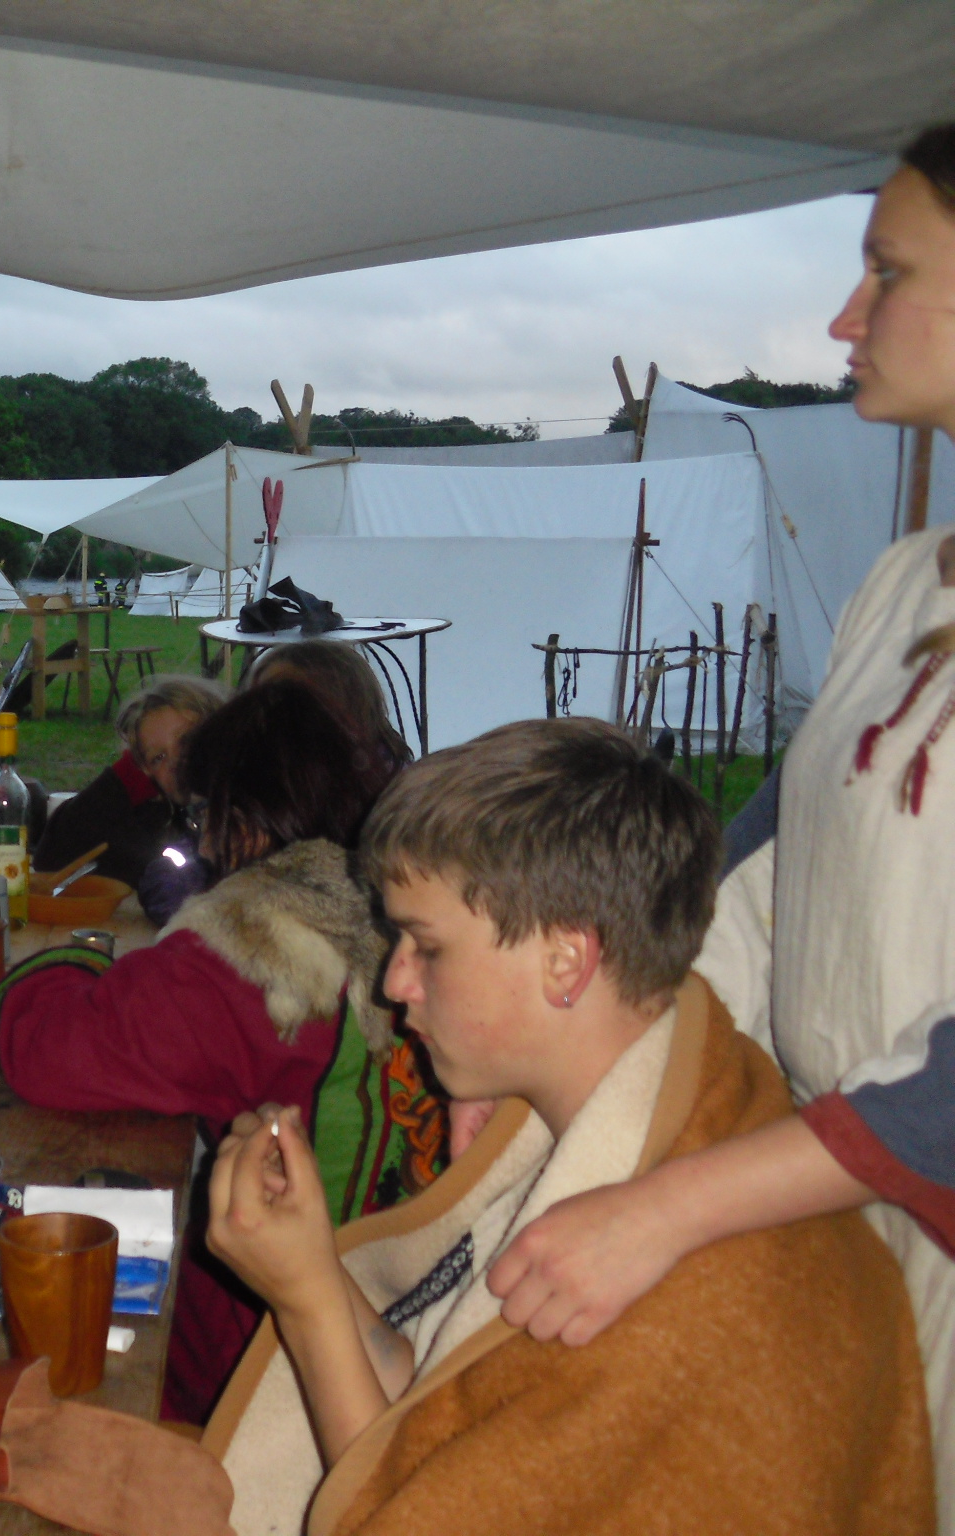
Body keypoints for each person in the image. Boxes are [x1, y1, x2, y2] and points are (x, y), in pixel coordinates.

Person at [475, 124, 955, 1519]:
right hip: (838, 1212)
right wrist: (565, 1054)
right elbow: (761, 881)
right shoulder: (902, 587)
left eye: (888, 271)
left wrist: (668, 1207)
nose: (844, 318)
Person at [204, 719, 932, 1535]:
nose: (394, 982)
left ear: (565, 963)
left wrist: (305, 1302)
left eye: (426, 946)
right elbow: (444, 1406)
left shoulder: (678, 1307)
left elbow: (407, 1512)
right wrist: (313, 1267)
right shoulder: (629, 1117)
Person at [0, 678, 440, 1425]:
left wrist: (65, 964)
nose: (200, 843)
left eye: (206, 816)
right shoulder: (411, 906)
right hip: (414, 1285)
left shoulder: (252, 952)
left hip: (273, 1350)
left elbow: (49, 1051)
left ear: (250, 823)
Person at [32, 673, 227, 892]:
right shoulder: (161, 825)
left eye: (185, 740)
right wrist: (121, 779)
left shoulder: (248, 816)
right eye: (158, 757)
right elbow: (51, 860)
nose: (175, 762)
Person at [244, 638, 412, 784]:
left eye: (291, 700)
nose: (270, 711)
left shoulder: (389, 785)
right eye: (262, 697)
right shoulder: (263, 767)